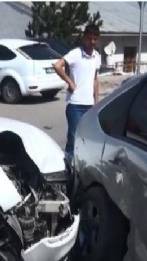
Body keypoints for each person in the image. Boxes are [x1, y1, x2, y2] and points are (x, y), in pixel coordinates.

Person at [53, 24, 101, 161]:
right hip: (75, 106)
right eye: (90, 38)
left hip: (89, 106)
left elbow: (95, 80)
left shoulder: (97, 56)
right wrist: (70, 82)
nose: (92, 42)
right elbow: (57, 66)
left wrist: (96, 102)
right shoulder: (76, 53)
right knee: (74, 139)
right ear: (84, 38)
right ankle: (68, 167)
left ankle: (80, 166)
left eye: (95, 39)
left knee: (87, 139)